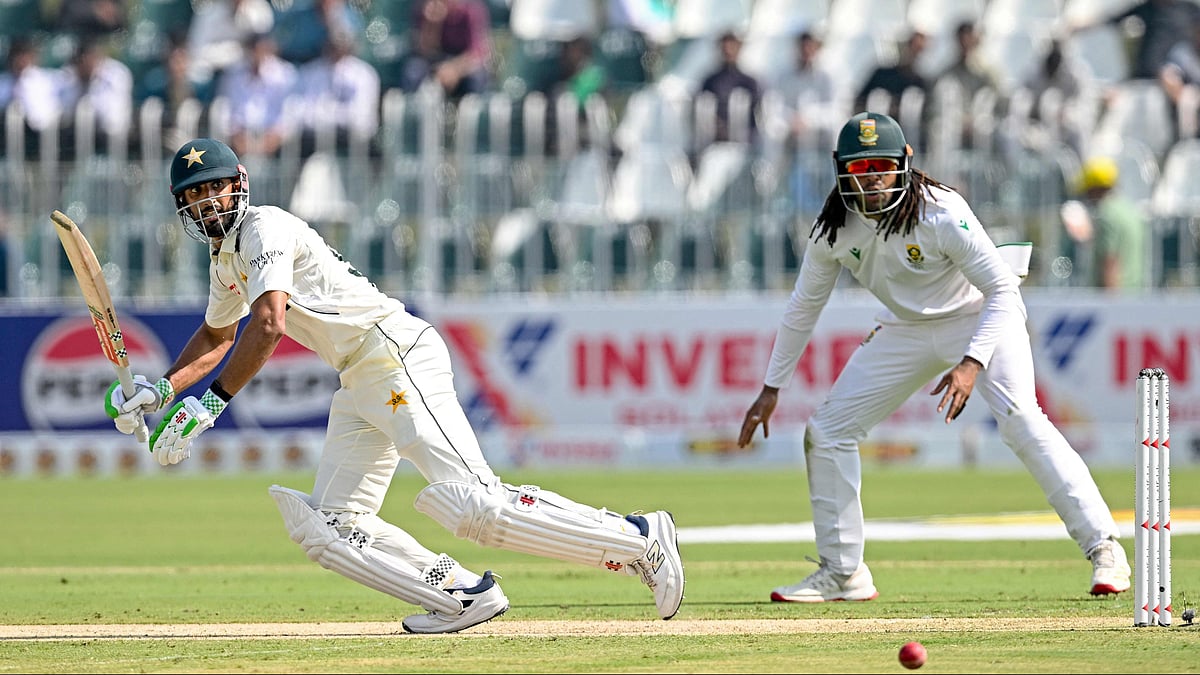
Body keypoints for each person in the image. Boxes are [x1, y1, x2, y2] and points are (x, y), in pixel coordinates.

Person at [101, 137, 684, 633]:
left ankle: (636, 536)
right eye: (194, 194)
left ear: (240, 183)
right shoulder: (226, 259)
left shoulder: (262, 228)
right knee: (331, 527)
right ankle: (459, 592)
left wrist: (207, 406)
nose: (207, 202)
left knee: (476, 503)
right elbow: (217, 336)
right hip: (359, 377)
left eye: (215, 186)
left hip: (394, 355)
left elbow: (270, 324)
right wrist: (159, 390)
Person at [736, 112, 1130, 603]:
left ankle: (1104, 548)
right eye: (860, 169)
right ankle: (843, 573)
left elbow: (1003, 290)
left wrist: (971, 363)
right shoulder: (834, 227)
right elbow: (803, 307)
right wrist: (772, 387)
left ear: (905, 162)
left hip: (978, 314)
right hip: (906, 328)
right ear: (840, 170)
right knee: (827, 431)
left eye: (881, 165)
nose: (873, 180)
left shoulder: (941, 211)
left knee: (1022, 420)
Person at [1060, 156, 1150, 289]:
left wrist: (1108, 305)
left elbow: (1110, 262)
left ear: (1095, 189)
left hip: (1115, 300)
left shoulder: (1107, 215)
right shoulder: (1130, 210)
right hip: (1135, 296)